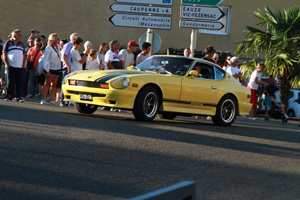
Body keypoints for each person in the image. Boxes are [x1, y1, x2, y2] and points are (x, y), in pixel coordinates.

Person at [2, 29, 26, 102]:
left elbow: (24, 55)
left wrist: (23, 65)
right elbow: (4, 54)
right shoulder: (8, 43)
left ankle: (18, 97)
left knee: (19, 82)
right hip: (11, 66)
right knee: (10, 82)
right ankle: (9, 96)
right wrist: (7, 64)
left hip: (19, 66)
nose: (21, 37)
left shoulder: (22, 44)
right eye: (19, 35)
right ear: (14, 36)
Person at [41, 33, 61, 105]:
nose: (59, 40)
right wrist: (47, 70)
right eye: (57, 39)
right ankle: (43, 99)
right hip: (50, 68)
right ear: (54, 40)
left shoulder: (58, 47)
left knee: (54, 85)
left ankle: (52, 99)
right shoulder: (48, 48)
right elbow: (46, 59)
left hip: (57, 68)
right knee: (47, 84)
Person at [60, 33, 79, 106]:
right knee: (65, 83)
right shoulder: (68, 45)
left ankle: (69, 101)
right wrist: (68, 67)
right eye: (76, 38)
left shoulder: (74, 46)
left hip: (72, 68)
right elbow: (64, 56)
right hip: (67, 67)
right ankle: (62, 100)